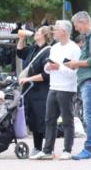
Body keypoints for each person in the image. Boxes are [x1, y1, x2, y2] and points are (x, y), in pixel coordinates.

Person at [66, 12, 91, 160]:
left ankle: (89, 148)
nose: (77, 29)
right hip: (89, 79)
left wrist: (76, 63)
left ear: (83, 22)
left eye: (76, 25)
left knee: (89, 116)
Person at [38, 20, 79, 161]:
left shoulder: (74, 49)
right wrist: (47, 68)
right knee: (49, 119)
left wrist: (58, 67)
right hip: (53, 86)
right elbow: (47, 66)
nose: (54, 32)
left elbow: (74, 72)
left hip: (67, 88)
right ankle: (47, 149)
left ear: (65, 32)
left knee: (67, 120)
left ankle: (67, 149)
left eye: (56, 29)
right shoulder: (54, 47)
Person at [18, 25, 54, 157]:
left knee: (42, 118)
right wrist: (21, 39)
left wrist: (29, 78)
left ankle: (48, 148)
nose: (35, 33)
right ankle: (37, 147)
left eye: (38, 31)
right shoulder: (33, 49)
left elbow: (46, 74)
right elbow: (20, 53)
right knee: (33, 118)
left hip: (42, 90)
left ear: (44, 35)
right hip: (30, 89)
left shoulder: (48, 51)